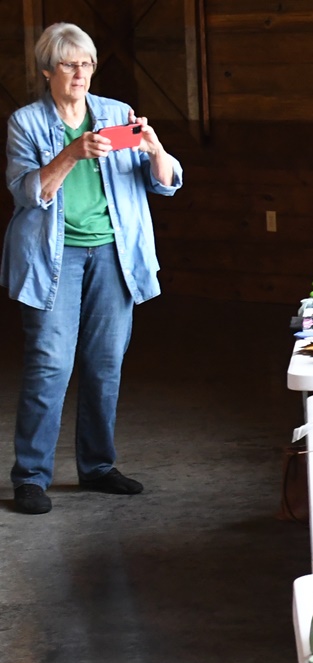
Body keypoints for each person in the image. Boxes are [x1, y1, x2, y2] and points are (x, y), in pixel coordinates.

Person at [2, 22, 182, 515]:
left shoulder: (116, 113)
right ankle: (30, 477)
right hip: (51, 256)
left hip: (115, 254)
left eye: (87, 64)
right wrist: (71, 153)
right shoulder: (26, 123)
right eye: (69, 64)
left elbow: (165, 182)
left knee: (105, 363)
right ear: (47, 70)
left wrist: (155, 149)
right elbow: (26, 193)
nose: (80, 73)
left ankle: (98, 467)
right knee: (50, 364)